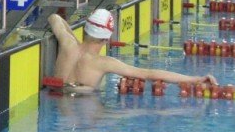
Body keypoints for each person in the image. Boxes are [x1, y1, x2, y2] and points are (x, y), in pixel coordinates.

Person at [49, 10, 217, 94]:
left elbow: (54, 17)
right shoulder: (103, 63)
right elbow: (149, 74)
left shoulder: (67, 43)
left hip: (57, 99)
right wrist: (195, 79)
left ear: (85, 29)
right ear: (107, 38)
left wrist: (74, 38)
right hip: (83, 110)